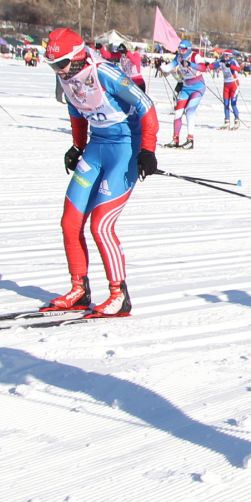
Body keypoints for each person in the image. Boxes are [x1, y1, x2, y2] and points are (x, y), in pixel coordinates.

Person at [42, 28, 160, 317]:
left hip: (124, 151)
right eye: (54, 66)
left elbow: (146, 104)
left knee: (100, 226)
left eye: (62, 64)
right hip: (96, 149)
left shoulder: (105, 72)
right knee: (70, 222)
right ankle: (79, 289)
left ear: (79, 56)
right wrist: (76, 146)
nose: (59, 71)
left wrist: (147, 149)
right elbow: (75, 112)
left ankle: (119, 295)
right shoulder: (68, 78)